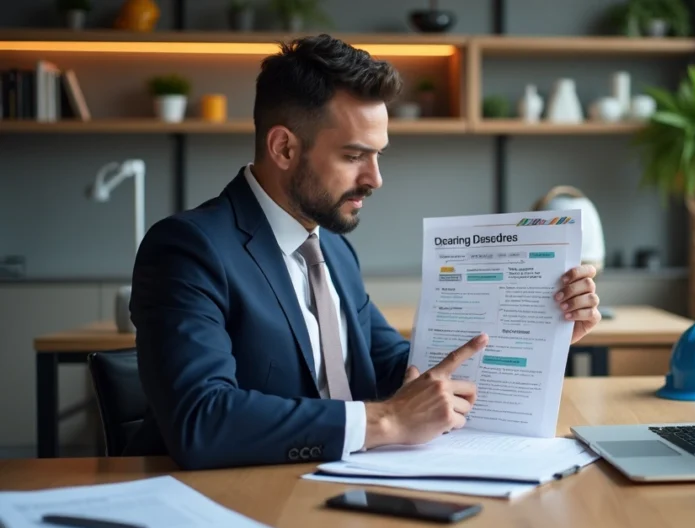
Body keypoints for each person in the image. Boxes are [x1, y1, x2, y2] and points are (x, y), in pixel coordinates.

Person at [125, 34, 602, 470]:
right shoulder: (188, 248)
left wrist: (541, 334)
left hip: (339, 489)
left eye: (378, 155)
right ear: (284, 148)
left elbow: (404, 369)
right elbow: (201, 419)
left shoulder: (332, 248)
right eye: (354, 156)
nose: (374, 179)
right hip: (233, 504)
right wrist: (387, 422)